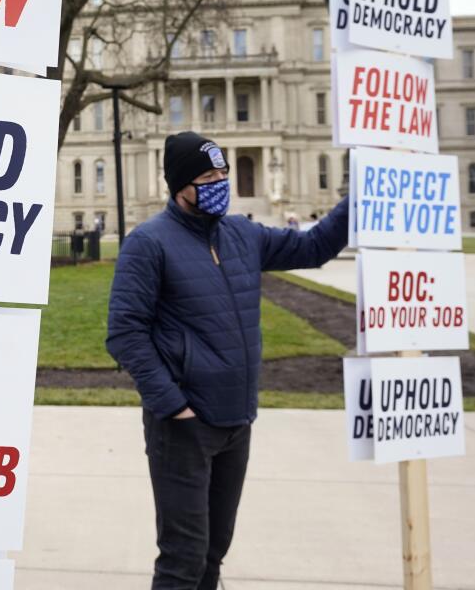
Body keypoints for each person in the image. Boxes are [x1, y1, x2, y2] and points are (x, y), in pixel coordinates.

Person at [106, 131, 349, 590]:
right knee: (183, 559)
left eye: (223, 173)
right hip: (183, 428)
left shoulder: (242, 233)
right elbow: (125, 333)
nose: (220, 182)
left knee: (213, 555)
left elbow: (314, 247)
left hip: (237, 421)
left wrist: (358, 202)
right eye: (207, 176)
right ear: (180, 185)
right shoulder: (149, 243)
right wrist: (173, 405)